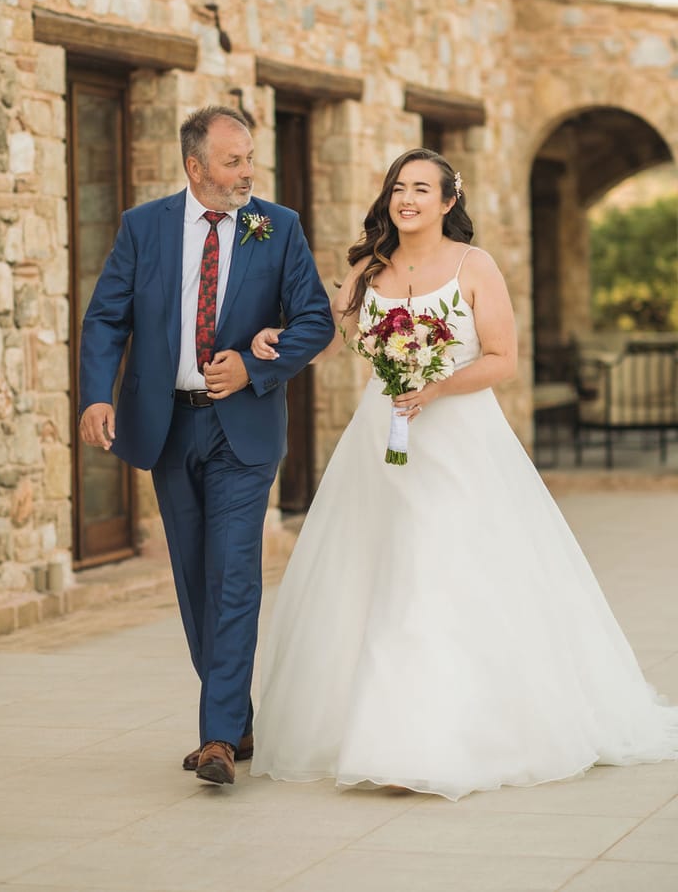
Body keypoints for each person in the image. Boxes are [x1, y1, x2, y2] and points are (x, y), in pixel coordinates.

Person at [249, 148, 678, 799]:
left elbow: (503, 358)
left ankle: (427, 737)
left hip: (457, 441)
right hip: (380, 440)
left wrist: (436, 385)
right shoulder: (367, 267)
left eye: (422, 188)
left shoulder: (474, 266)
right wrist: (272, 341)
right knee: (377, 565)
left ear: (449, 201)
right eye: (399, 187)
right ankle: (372, 730)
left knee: (433, 563)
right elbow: (330, 338)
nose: (407, 199)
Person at [79, 105, 335, 787]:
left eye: (249, 158)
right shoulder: (144, 227)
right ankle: (238, 719)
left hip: (243, 428)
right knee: (194, 578)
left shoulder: (274, 226)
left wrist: (256, 366)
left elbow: (315, 319)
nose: (246, 171)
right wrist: (97, 395)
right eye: (232, 161)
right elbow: (106, 317)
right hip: (167, 427)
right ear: (195, 167)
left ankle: (216, 736)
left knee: (233, 575)